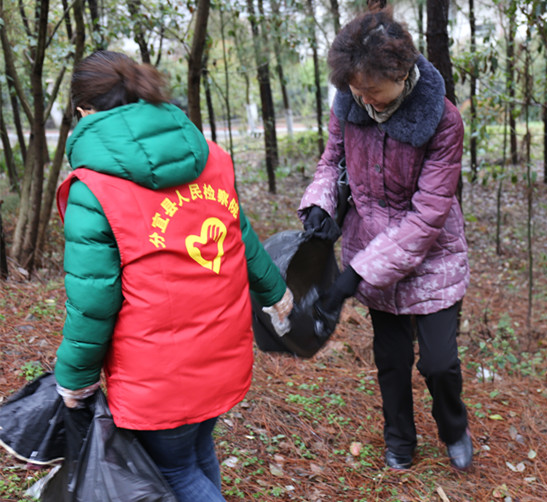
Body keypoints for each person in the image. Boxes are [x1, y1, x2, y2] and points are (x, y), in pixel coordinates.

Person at [54, 50, 293, 502]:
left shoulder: (94, 189)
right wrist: (275, 291)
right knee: (197, 453)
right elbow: (239, 233)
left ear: (84, 112)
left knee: (175, 473)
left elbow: (92, 300)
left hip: (158, 376)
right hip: (222, 349)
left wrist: (75, 377)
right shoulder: (211, 157)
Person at [298, 8, 472, 471]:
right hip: (371, 250)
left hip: (432, 258)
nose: (365, 100)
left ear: (401, 73)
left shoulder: (443, 121)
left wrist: (355, 274)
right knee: (391, 361)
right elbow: (332, 161)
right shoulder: (350, 104)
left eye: (373, 90)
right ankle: (399, 439)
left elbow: (426, 217)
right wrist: (320, 204)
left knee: (438, 364)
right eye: (356, 90)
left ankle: (454, 426)